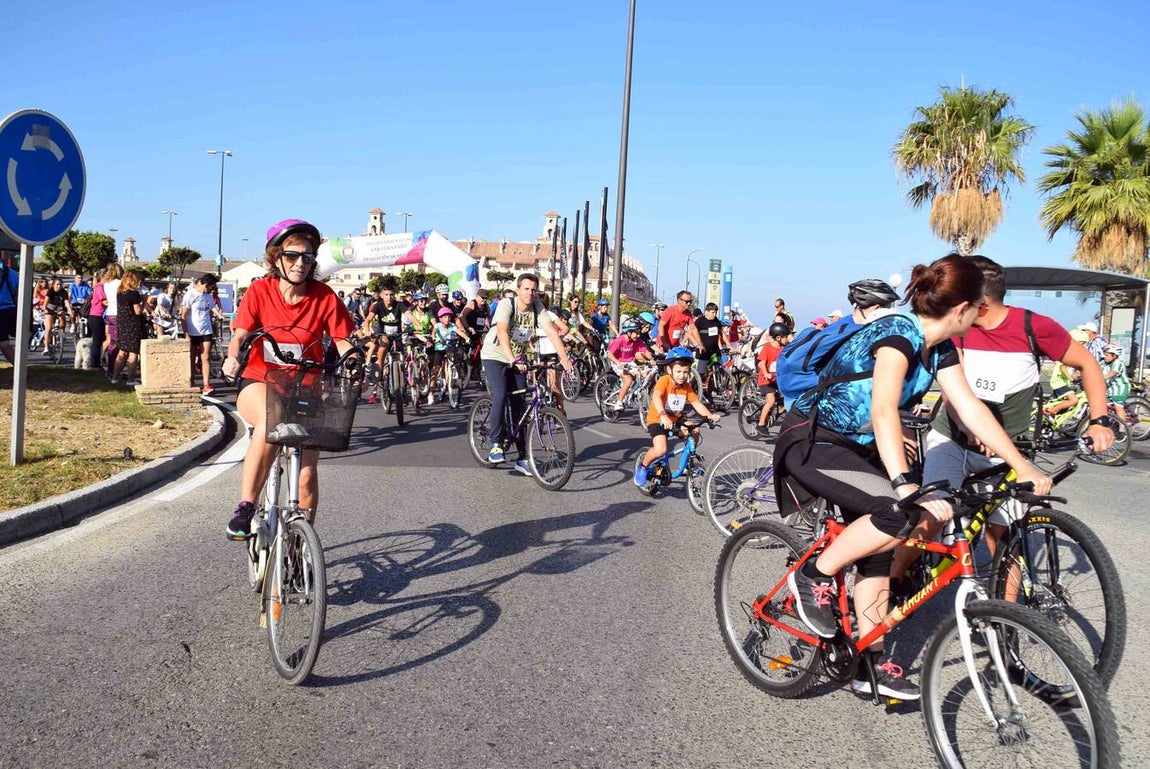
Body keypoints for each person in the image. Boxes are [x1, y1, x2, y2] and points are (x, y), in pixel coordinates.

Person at [775, 254, 1052, 700]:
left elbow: (969, 407)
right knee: (894, 511)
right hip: (814, 439)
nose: (984, 313)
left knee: (880, 550)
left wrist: (1022, 465)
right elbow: (883, 408)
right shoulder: (898, 333)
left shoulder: (939, 347)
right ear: (961, 308)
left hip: (858, 446)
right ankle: (813, 573)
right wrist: (905, 485)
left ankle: (869, 662)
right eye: (980, 305)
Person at [911, 255, 1115, 579]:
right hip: (952, 437)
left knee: (1004, 537)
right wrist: (966, 427)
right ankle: (890, 588)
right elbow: (953, 393)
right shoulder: (956, 328)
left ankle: (1008, 622)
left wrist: (1100, 420)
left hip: (1009, 447)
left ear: (981, 300)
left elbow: (1088, 364)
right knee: (931, 515)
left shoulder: (1034, 327)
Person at [223, 219, 357, 540]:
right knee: (273, 420)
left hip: (307, 389)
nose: (300, 264)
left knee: (307, 475)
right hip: (259, 382)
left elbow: (341, 339)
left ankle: (300, 542)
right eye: (292, 256)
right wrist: (232, 356)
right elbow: (240, 335)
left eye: (307, 257)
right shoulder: (259, 291)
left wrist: (352, 358)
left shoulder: (324, 297)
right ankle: (246, 506)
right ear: (276, 258)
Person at [480, 272, 573, 475]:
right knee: (500, 394)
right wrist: (511, 358)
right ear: (518, 289)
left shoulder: (537, 306)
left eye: (534, 290)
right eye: (526, 289)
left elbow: (551, 331)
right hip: (495, 355)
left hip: (519, 359)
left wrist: (564, 359)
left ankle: (523, 458)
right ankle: (495, 443)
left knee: (521, 407)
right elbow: (503, 331)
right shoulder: (507, 304)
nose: (530, 293)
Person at [634, 346, 720, 489]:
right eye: (678, 371)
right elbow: (656, 397)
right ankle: (643, 467)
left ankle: (687, 464)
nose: (682, 375)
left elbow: (696, 403)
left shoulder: (686, 386)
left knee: (695, 430)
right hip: (657, 419)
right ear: (669, 370)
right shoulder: (664, 381)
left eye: (685, 372)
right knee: (661, 450)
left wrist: (710, 416)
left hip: (675, 419)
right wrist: (663, 416)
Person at [182, 274, 221, 396]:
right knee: (192, 358)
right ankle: (192, 381)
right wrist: (186, 334)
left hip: (206, 330)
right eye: (210, 286)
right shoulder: (190, 295)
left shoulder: (208, 296)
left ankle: (206, 385)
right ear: (205, 285)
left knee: (206, 357)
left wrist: (218, 315)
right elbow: (183, 316)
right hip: (193, 331)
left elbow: (211, 310)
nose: (211, 289)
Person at [606, 319, 653, 409]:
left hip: (630, 363)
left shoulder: (637, 340)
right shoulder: (620, 340)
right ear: (629, 332)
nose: (638, 335)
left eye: (639, 333)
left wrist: (651, 359)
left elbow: (645, 351)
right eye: (636, 333)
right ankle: (619, 402)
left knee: (643, 375)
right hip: (618, 362)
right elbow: (609, 354)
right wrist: (617, 362)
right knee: (628, 380)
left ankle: (630, 393)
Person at [755, 322, 791, 435]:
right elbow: (761, 363)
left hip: (776, 379)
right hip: (766, 380)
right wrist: (766, 373)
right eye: (786, 337)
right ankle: (761, 425)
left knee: (790, 396)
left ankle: (778, 412)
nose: (787, 339)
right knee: (771, 400)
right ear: (779, 337)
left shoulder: (783, 349)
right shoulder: (767, 348)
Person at [110, 270, 146, 385]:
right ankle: (130, 379)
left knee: (122, 351)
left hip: (122, 323)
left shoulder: (120, 293)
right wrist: (144, 302)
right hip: (132, 325)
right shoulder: (133, 294)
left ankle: (114, 377)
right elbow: (138, 311)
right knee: (133, 352)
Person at [429, 306, 458, 401]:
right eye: (445, 317)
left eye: (449, 317)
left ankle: (450, 381)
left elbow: (458, 331)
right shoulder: (437, 325)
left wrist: (466, 337)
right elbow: (434, 332)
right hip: (439, 350)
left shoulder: (452, 326)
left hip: (449, 349)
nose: (447, 319)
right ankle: (431, 393)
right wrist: (434, 338)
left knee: (452, 364)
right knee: (436, 370)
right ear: (440, 318)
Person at [100, 264, 124, 377]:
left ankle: (112, 368)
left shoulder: (106, 284)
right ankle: (112, 370)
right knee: (116, 342)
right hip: (118, 313)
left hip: (109, 312)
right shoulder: (119, 283)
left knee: (112, 340)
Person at [1101, 344, 1131, 421]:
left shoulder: (1118, 363)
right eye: (1104, 354)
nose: (1104, 356)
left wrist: (1103, 377)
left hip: (1121, 388)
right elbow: (1094, 368)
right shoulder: (1103, 362)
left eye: (1107, 355)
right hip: (1110, 388)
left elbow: (1113, 372)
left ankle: (1123, 429)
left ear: (1114, 356)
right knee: (1102, 405)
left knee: (1118, 407)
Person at [0, 252, 18, 363]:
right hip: (11, 309)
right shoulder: (11, 272)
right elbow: (16, 292)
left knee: (4, 344)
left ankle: (20, 371)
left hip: (0, 311)